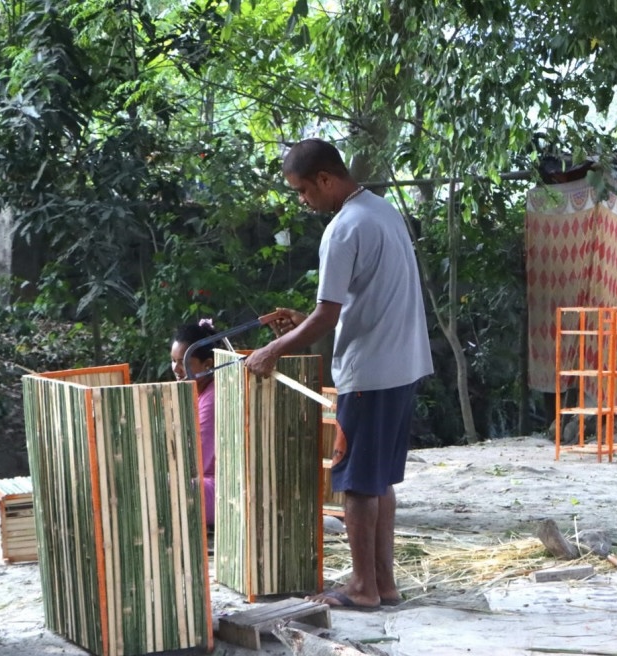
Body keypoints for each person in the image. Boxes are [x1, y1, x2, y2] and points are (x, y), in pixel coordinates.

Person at [244, 138, 432, 610]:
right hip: (404, 364)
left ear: (325, 179)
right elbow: (353, 302)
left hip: (370, 372)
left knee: (352, 484)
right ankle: (383, 584)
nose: (304, 201)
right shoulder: (383, 211)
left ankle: (363, 588)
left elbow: (328, 315)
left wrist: (272, 350)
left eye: (304, 191)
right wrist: (299, 324)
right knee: (379, 480)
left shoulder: (344, 228)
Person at [171, 319, 219, 527]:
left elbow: (196, 460)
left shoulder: (213, 397)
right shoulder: (195, 392)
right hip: (198, 482)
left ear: (207, 365)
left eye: (182, 362)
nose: (175, 368)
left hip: (219, 491)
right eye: (173, 361)